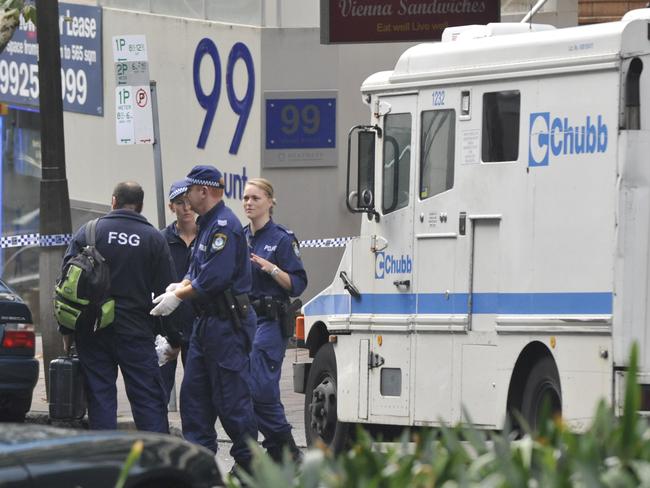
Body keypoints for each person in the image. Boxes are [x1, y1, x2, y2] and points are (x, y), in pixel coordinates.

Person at [150, 165, 258, 473]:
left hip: (227, 326)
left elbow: (215, 277)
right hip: (205, 325)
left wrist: (178, 297)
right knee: (194, 399)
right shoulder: (207, 226)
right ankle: (199, 466)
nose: (186, 200)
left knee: (232, 401)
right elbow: (197, 270)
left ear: (204, 191)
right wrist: (179, 285)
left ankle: (249, 466)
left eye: (189, 193)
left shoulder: (224, 225)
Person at [60, 181, 176, 433]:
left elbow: (66, 286)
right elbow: (167, 292)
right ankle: (156, 461)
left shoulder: (88, 232)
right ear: (141, 205)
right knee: (148, 401)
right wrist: (170, 336)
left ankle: (107, 461)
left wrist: (67, 332)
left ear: (113, 201)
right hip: (136, 332)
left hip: (92, 331)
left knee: (100, 399)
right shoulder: (153, 238)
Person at [243, 178, 307, 462]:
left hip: (270, 323)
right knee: (244, 392)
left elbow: (297, 284)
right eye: (245, 198)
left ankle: (286, 452)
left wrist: (271, 269)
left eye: (255, 198)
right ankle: (270, 454)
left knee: (262, 390)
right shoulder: (240, 236)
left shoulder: (281, 238)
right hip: (244, 321)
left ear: (270, 201)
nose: (248, 203)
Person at [158, 180, 197, 401]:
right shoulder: (161, 240)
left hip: (198, 324)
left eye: (189, 202)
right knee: (158, 391)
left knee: (196, 394)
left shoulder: (207, 238)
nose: (186, 208)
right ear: (171, 207)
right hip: (166, 326)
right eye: (180, 203)